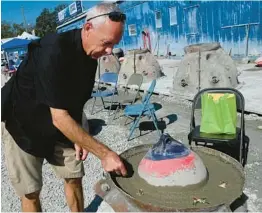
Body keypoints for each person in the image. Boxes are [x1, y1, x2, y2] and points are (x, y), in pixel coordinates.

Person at [1, 3, 127, 212]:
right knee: (31, 192)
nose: (109, 51)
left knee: (74, 176)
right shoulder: (53, 50)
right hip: (23, 124)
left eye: (114, 44)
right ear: (88, 28)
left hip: (61, 122)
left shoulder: (91, 58)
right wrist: (105, 153)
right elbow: (59, 117)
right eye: (106, 43)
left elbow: (76, 101)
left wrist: (78, 132)